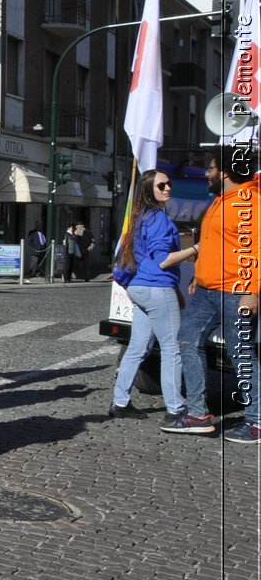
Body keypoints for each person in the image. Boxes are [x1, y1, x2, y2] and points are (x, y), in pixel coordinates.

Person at [162, 145, 260, 441]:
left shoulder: (249, 202)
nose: (207, 173)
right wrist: (199, 275)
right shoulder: (219, 200)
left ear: (226, 172)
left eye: (212, 168)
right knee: (187, 339)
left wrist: (252, 291)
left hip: (236, 290)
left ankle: (257, 421)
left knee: (240, 353)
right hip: (206, 289)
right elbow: (213, 243)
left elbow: (255, 249)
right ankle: (198, 415)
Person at [108, 171, 197, 421]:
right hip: (156, 287)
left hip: (139, 287)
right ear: (149, 190)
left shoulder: (142, 217)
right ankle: (175, 410)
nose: (167, 187)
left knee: (137, 347)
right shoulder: (158, 219)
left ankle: (120, 401)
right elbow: (162, 261)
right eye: (161, 185)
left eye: (169, 183)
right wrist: (195, 249)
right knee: (172, 349)